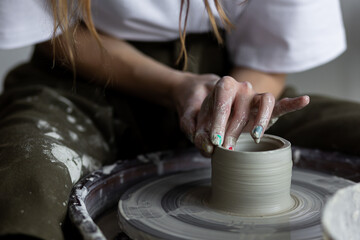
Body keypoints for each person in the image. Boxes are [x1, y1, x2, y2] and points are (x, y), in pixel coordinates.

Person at [0, 0, 351, 239]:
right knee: (28, 184)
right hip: (82, 72)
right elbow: (50, 29)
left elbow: (271, 53)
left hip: (227, 76)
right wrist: (175, 86)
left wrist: (235, 104)